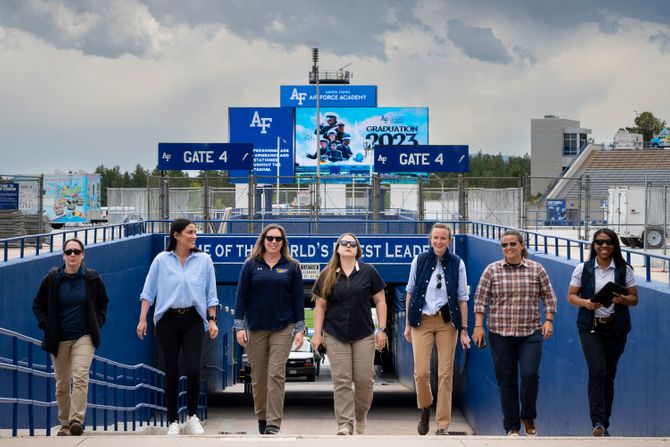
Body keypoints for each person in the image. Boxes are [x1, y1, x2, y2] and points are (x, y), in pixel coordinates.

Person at [136, 218, 219, 436]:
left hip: (193, 319)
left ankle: (192, 416)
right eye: (190, 232)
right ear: (176, 235)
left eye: (195, 232)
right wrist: (143, 318)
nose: (194, 236)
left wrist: (212, 320)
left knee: (192, 367)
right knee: (170, 370)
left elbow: (211, 294)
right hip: (167, 320)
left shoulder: (204, 260)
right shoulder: (161, 260)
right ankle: (172, 420)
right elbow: (148, 292)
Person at [472, 229, 557, 437]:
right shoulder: (492, 270)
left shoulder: (537, 269)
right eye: (504, 245)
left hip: (530, 332)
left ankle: (527, 415)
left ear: (521, 245)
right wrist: (478, 325)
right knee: (506, 380)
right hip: (500, 333)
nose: (508, 248)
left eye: (512, 244)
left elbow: (549, 296)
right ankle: (512, 426)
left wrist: (549, 321)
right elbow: (481, 299)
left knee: (530, 375)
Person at [311, 233, 387, 436]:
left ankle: (360, 415)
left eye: (352, 244)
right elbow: (320, 306)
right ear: (337, 248)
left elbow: (380, 301)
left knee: (364, 381)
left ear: (357, 249)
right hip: (335, 335)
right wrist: (317, 335)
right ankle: (345, 424)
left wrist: (382, 330)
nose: (347, 246)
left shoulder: (368, 272)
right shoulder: (327, 274)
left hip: (363, 334)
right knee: (342, 380)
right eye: (343, 243)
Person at [32, 239, 109, 436]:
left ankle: (76, 420)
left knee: (81, 375)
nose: (72, 255)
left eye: (76, 251)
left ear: (83, 255)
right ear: (63, 256)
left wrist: (97, 324)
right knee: (62, 384)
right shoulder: (52, 279)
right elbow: (38, 305)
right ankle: (65, 423)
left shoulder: (91, 278)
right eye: (69, 252)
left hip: (84, 336)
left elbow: (103, 303)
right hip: (59, 339)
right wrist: (46, 325)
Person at [234, 224, 305, 435]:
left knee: (276, 374)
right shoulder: (250, 265)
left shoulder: (292, 266)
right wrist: (239, 326)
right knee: (259, 377)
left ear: (283, 243)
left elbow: (298, 299)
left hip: (284, 327)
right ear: (263, 241)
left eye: (278, 239)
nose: (274, 242)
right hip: (255, 328)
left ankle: (274, 422)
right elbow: (241, 298)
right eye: (270, 238)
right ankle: (262, 416)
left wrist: (300, 328)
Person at [567, 229, 637, 437]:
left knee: (609, 376)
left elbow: (634, 298)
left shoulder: (624, 270)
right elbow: (571, 296)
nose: (604, 246)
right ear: (594, 245)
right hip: (590, 327)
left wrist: (622, 299)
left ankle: (604, 424)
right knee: (597, 371)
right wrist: (586, 303)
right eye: (599, 242)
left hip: (616, 329)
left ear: (614, 245)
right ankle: (596, 422)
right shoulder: (583, 269)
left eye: (608, 243)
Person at [404, 223, 470, 436]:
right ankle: (424, 407)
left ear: (449, 241)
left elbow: (462, 298)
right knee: (421, 372)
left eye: (443, 238)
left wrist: (465, 330)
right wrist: (407, 324)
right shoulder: (420, 260)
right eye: (436, 238)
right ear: (429, 240)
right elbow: (410, 292)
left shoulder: (457, 263)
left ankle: (442, 424)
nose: (439, 242)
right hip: (421, 321)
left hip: (446, 323)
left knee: (445, 374)